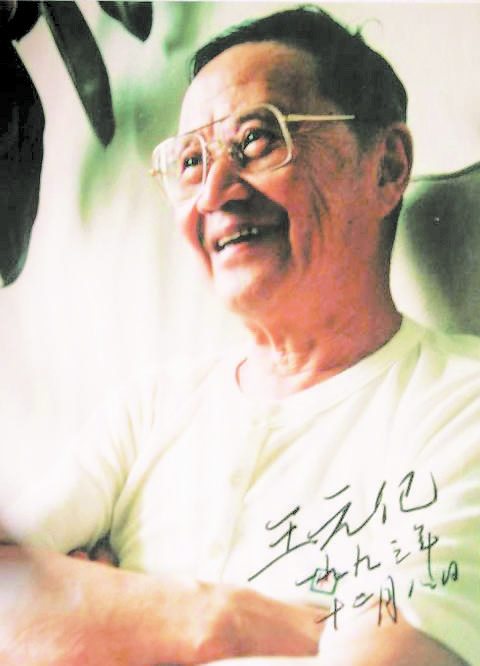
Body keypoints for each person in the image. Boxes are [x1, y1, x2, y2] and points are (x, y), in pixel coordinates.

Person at [1, 5, 479, 665]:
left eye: (255, 140)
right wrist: (218, 620)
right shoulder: (151, 408)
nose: (213, 193)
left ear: (388, 167)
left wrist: (98, 611)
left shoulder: (461, 406)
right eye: (190, 161)